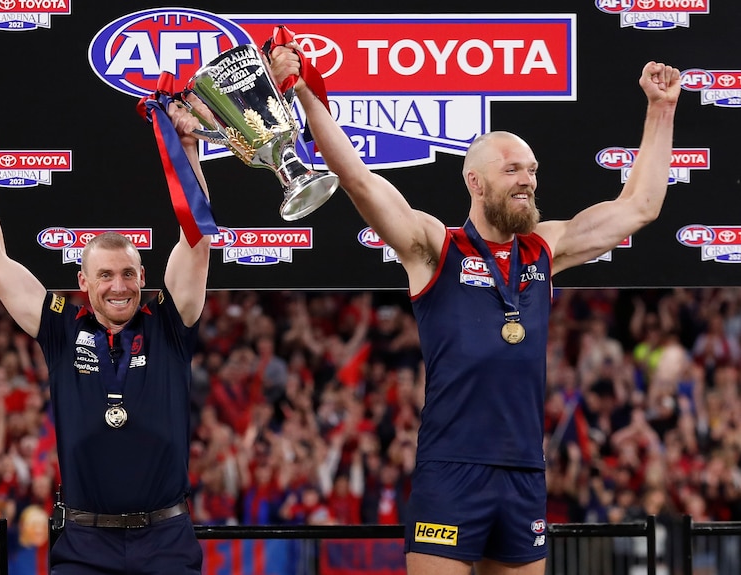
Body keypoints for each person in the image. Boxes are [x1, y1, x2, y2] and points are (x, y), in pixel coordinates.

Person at [270, 45, 681, 575]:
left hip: (525, 473)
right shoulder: (434, 248)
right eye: (513, 170)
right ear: (476, 182)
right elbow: (361, 181)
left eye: (532, 170)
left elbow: (639, 207)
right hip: (452, 472)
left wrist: (661, 109)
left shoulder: (544, 249)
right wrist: (303, 90)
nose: (528, 180)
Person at [0, 99, 213, 574]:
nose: (120, 286)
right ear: (83, 282)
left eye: (129, 274)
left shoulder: (170, 323)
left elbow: (196, 240)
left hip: (167, 541)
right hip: (85, 546)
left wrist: (188, 152)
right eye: (107, 275)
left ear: (142, 275)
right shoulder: (59, 327)